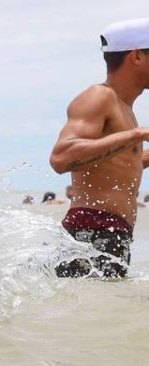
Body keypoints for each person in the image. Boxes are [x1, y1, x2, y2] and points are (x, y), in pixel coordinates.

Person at [50, 18, 149, 278]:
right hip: (90, 230)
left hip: (112, 233)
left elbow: (118, 164)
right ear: (137, 56)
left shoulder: (124, 108)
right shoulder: (99, 96)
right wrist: (140, 133)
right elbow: (62, 157)